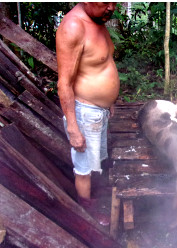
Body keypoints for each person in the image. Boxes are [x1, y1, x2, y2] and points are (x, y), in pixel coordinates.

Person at [56, 2, 118, 226]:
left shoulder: (98, 21)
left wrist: (109, 101)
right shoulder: (73, 27)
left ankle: (96, 202)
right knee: (84, 168)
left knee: (95, 162)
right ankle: (87, 219)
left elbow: (101, 65)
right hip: (84, 112)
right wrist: (73, 127)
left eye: (115, 1)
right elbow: (64, 83)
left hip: (98, 111)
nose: (111, 7)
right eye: (105, 2)